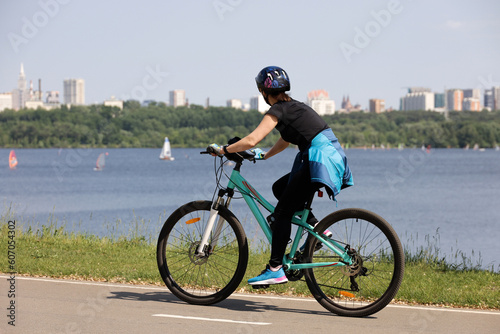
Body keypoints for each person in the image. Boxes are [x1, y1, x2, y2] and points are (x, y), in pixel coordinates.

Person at [211, 66, 353, 286]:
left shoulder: (277, 110)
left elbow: (251, 140)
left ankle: (275, 268)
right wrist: (265, 156)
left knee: (282, 213)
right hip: (328, 157)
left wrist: (223, 150)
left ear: (264, 92)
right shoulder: (293, 107)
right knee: (280, 188)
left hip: (318, 159)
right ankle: (318, 230)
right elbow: (285, 140)